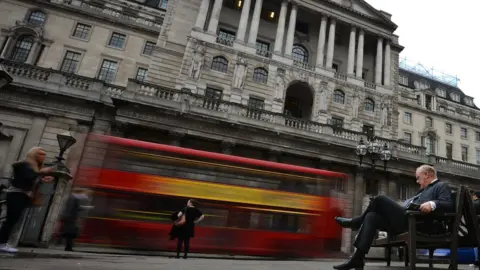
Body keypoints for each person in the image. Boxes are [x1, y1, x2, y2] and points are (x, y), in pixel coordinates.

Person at [333, 165, 453, 270]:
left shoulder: (441, 186)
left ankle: (357, 222)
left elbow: (448, 204)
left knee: (380, 198)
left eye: (418, 177)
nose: (417, 181)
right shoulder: (422, 191)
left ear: (426, 175)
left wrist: (432, 204)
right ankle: (357, 259)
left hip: (416, 223)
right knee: (371, 216)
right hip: (406, 220)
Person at [0, 147, 54, 253]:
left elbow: (30, 179)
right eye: (40, 154)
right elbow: (27, 177)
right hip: (16, 194)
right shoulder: (24, 165)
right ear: (33, 154)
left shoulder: (33, 167)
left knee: (12, 220)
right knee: (10, 221)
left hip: (22, 196)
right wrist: (41, 173)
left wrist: (42, 178)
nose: (43, 156)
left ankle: (3, 243)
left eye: (44, 154)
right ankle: (1, 243)